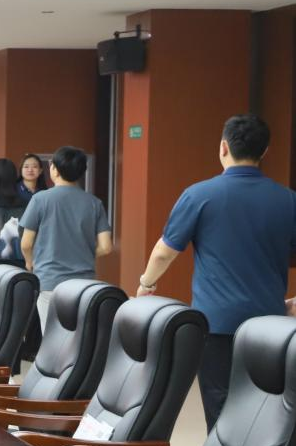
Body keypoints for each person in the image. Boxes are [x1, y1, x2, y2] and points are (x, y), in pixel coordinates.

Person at [136, 114, 296, 429]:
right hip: (271, 325)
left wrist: (146, 284)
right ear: (264, 151)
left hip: (216, 324)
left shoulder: (199, 195)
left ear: (223, 147)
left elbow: (165, 251)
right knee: (266, 408)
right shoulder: (288, 200)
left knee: (220, 405)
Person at [20, 145, 111, 329]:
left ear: (54, 169)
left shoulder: (40, 199)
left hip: (49, 280)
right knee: (77, 335)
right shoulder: (94, 203)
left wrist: (30, 262)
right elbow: (106, 246)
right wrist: (83, 253)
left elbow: (26, 244)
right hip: (84, 283)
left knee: (50, 335)